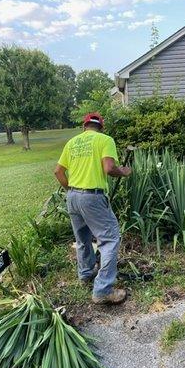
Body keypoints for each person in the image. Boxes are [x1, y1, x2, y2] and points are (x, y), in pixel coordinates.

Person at [54, 112, 131, 305]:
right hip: (92, 197)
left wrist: (71, 190)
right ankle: (103, 290)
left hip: (73, 196)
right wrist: (124, 171)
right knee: (110, 238)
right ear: (101, 127)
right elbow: (109, 168)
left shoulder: (72, 143)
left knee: (82, 239)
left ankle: (86, 274)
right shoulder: (105, 140)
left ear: (85, 126)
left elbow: (58, 171)